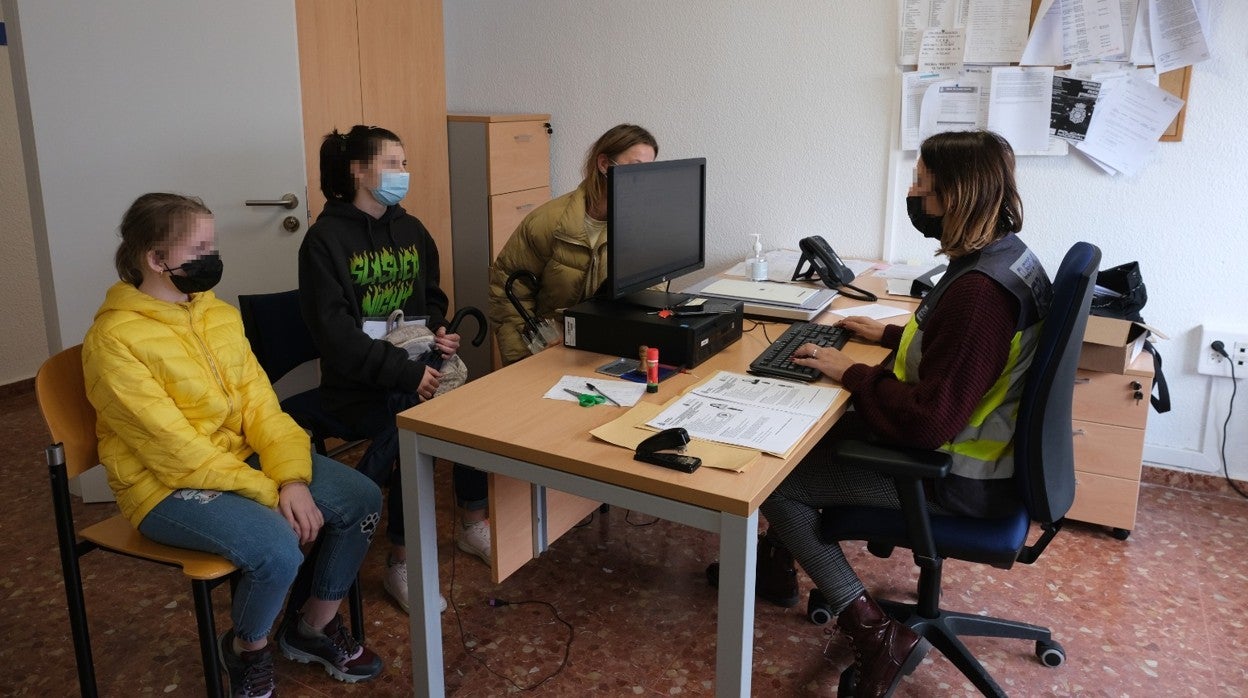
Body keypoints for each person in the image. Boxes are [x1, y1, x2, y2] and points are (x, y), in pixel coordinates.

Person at [758, 130, 1052, 697]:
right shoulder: (1003, 257)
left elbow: (929, 420)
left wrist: (852, 371)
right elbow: (966, 353)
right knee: (819, 428)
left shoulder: (979, 294)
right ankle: (777, 565)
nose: (913, 193)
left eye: (922, 183)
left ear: (958, 194)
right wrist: (889, 333)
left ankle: (873, 634)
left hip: (955, 478)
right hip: (976, 458)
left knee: (777, 482)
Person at [82, 193, 384, 697]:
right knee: (277, 547)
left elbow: (262, 406)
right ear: (156, 259)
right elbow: (173, 451)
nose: (213, 257)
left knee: (361, 499)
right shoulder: (113, 340)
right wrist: (273, 492)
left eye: (212, 244)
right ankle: (248, 650)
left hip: (235, 462)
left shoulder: (216, 314)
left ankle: (311, 626)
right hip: (161, 486)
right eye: (199, 248)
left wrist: (290, 476)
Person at [298, 124, 485, 614]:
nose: (405, 173)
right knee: (411, 431)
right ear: (359, 171)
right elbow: (335, 337)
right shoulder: (324, 242)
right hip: (357, 389)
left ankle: (473, 522)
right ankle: (401, 562)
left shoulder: (411, 229)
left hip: (415, 366)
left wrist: (441, 332)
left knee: (468, 405)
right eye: (393, 163)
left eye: (405, 163)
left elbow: (432, 299)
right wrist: (404, 375)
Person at [489, 123, 658, 366]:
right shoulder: (549, 222)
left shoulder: (641, 225)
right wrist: (524, 358)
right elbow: (505, 292)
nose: (644, 181)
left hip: (605, 346)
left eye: (650, 171)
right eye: (635, 168)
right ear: (604, 164)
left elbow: (651, 288)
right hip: (551, 350)